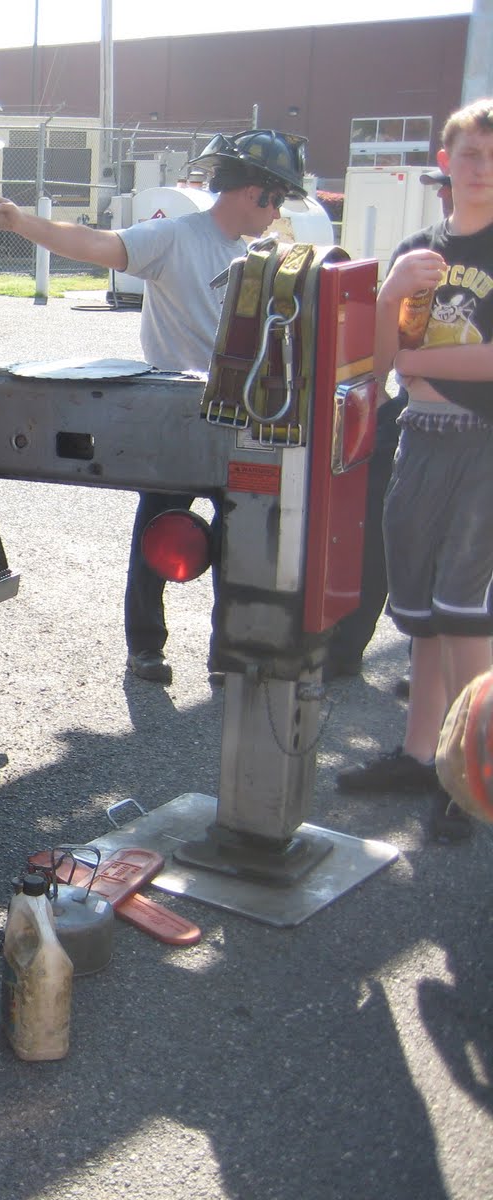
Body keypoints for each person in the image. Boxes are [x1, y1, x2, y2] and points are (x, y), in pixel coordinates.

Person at [0, 129, 310, 686]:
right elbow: (97, 245)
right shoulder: (175, 238)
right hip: (177, 413)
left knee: (240, 537)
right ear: (254, 192)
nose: (278, 210)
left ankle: (227, 651)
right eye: (276, 198)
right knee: (159, 527)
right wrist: (22, 222)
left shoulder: (262, 255)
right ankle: (145, 647)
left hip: (241, 416)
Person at [335, 98, 493, 844]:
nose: (483, 167)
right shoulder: (420, 246)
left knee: (467, 613)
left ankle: (472, 776)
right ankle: (419, 754)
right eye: (471, 154)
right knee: (423, 611)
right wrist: (393, 290)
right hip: (419, 435)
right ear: (445, 161)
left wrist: (422, 359)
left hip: (481, 444)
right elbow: (376, 358)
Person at [325, 167, 454, 684]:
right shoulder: (418, 248)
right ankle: (346, 647)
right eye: (444, 185)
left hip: (479, 425)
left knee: (464, 550)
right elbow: (385, 356)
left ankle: (446, 669)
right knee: (380, 532)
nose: (446, 194)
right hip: (413, 415)